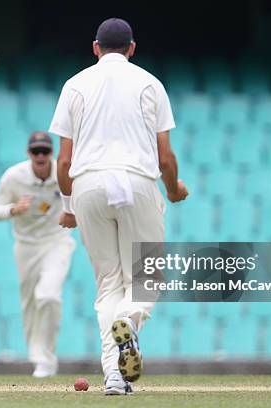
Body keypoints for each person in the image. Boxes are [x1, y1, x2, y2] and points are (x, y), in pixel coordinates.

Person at [49, 18, 188, 395]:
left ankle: (115, 375)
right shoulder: (150, 83)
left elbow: (63, 162)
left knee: (108, 284)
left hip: (88, 183)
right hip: (136, 180)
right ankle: (127, 323)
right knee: (147, 278)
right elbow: (165, 158)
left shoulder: (74, 85)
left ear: (95, 48)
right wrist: (173, 190)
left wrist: (69, 206)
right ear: (132, 48)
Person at [0, 131, 76, 378]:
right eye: (35, 151)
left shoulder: (63, 173)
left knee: (48, 296)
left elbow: (80, 199)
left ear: (51, 153)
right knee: (29, 303)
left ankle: (47, 360)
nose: (40, 156)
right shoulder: (15, 176)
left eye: (45, 151)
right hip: (25, 246)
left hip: (56, 241)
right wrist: (13, 209)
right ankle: (37, 357)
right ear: (29, 153)